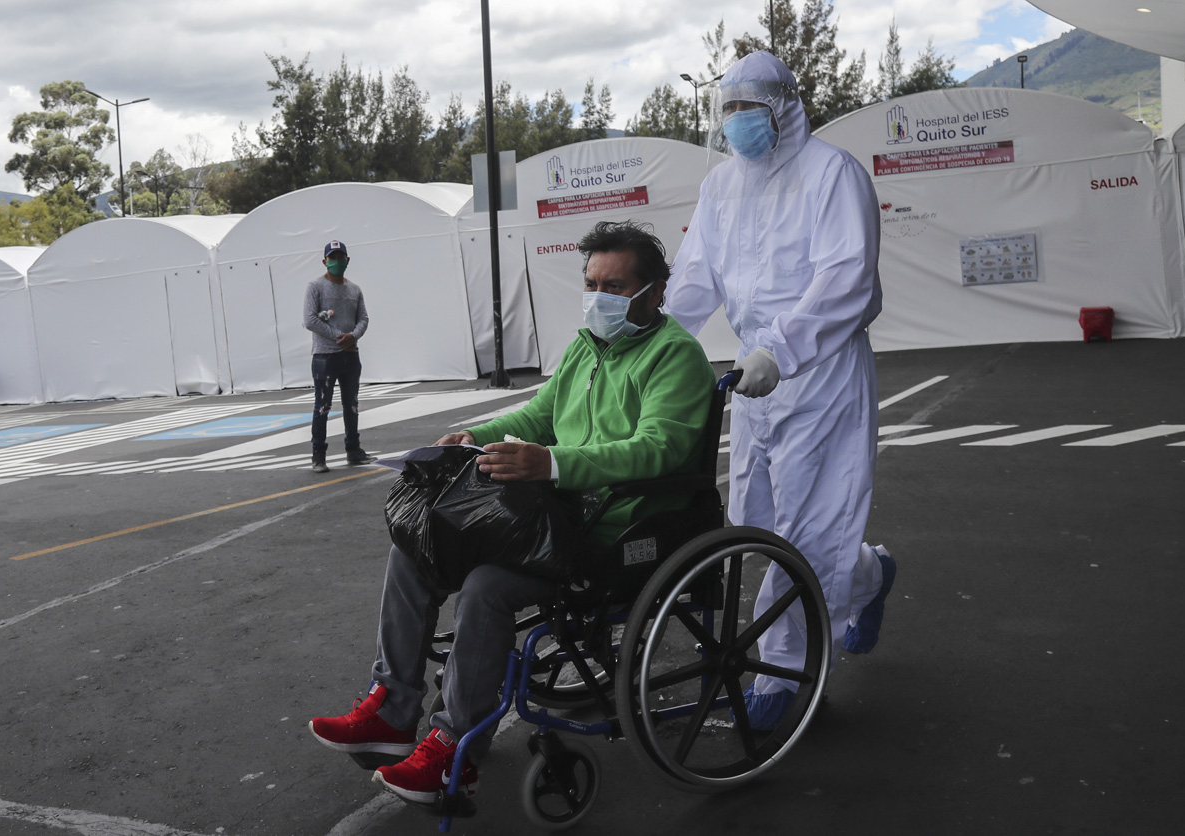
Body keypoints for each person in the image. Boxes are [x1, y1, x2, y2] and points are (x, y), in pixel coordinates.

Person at [308, 220, 714, 804]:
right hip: (557, 517)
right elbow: (536, 416)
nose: (599, 297)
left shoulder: (675, 356)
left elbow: (658, 449)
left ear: (656, 292)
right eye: (592, 283)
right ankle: (393, 710)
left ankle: (454, 749)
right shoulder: (587, 346)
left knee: (487, 586)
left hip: (620, 529)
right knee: (417, 545)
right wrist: (475, 433)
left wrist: (550, 465)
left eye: (616, 286)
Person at [667, 51, 897, 728]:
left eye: (751, 108)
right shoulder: (721, 188)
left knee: (813, 527)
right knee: (758, 526)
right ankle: (873, 575)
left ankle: (786, 670)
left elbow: (847, 280)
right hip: (754, 381)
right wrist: (649, 340)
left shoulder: (833, 174)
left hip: (820, 374)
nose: (738, 122)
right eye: (728, 109)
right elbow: (695, 276)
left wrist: (784, 347)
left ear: (786, 106)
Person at [302, 240, 374, 473]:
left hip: (350, 356)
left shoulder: (354, 289)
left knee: (351, 404)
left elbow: (363, 318)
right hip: (324, 356)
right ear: (324, 262)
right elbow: (310, 320)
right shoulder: (315, 287)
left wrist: (353, 336)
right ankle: (318, 455)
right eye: (332, 258)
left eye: (340, 257)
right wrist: (337, 336)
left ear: (347, 260)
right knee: (322, 406)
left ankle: (353, 450)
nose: (337, 262)